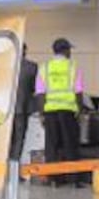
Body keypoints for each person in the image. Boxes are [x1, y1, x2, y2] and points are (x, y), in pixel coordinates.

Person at [36, 38, 85, 186]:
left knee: (52, 146)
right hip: (68, 111)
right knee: (70, 145)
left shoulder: (45, 67)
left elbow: (40, 92)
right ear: (65, 50)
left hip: (50, 111)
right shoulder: (73, 67)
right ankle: (74, 180)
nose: (70, 52)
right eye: (69, 49)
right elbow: (78, 91)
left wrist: (41, 113)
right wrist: (80, 110)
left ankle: (53, 179)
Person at [9, 44, 39, 163]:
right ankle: (14, 171)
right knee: (19, 139)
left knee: (7, 140)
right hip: (23, 107)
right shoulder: (32, 67)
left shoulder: (6, 66)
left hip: (7, 109)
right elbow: (34, 88)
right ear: (25, 51)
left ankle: (3, 171)